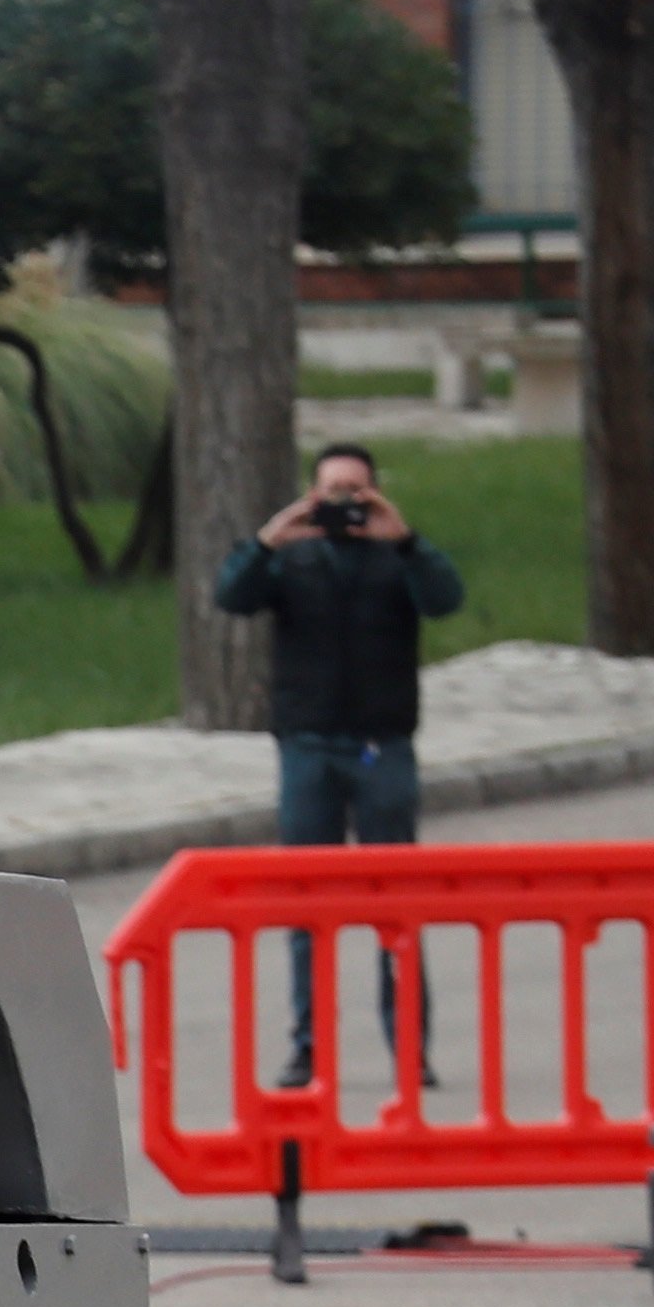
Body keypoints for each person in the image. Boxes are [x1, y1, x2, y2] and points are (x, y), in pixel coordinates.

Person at [219, 443, 469, 1089]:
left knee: (396, 902)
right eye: (332, 491)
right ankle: (308, 1045)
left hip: (382, 746)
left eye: (356, 491)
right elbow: (232, 596)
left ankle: (411, 1049)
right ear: (311, 494)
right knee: (308, 903)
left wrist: (407, 540)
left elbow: (445, 599)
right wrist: (270, 540)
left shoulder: (399, 559)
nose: (344, 505)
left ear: (377, 495)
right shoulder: (292, 558)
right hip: (309, 745)